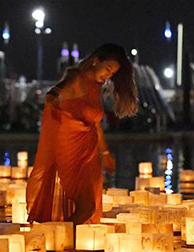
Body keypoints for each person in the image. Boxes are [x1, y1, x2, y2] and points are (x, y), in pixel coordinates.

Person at [26, 43, 138, 226]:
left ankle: (63, 239)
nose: (108, 76)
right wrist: (54, 93)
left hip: (90, 152)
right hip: (70, 148)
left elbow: (96, 124)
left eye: (112, 74)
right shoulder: (76, 76)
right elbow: (62, 86)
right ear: (96, 61)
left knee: (88, 206)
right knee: (86, 207)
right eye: (107, 69)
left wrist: (106, 153)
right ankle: (55, 237)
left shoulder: (95, 86)